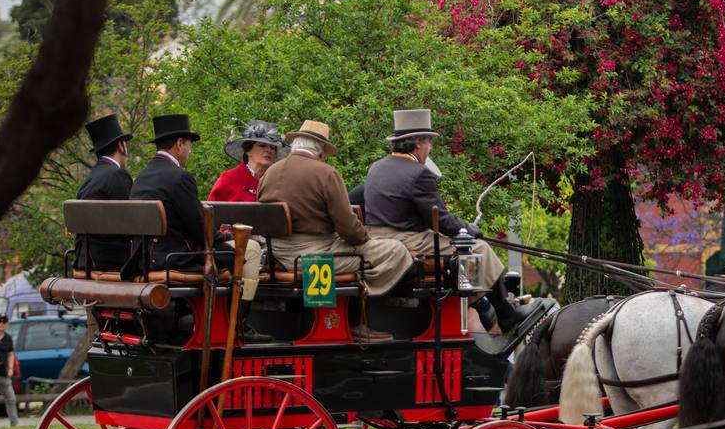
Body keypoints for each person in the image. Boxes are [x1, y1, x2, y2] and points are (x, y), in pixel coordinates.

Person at [362, 109, 533, 334]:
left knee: (463, 245)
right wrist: (469, 229)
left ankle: (480, 304)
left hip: (376, 239)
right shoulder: (418, 174)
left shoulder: (376, 167)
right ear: (417, 144)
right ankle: (505, 313)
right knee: (478, 248)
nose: (430, 148)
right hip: (405, 240)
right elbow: (443, 221)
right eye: (429, 142)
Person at [258, 121, 412, 340]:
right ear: (320, 150)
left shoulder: (270, 172)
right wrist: (365, 237)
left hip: (276, 255)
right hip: (313, 256)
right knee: (394, 249)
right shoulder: (326, 173)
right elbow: (349, 229)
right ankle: (358, 318)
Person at [128, 114, 262, 301]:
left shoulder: (141, 177)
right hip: (176, 258)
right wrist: (226, 235)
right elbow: (199, 227)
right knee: (251, 250)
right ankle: (239, 316)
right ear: (180, 143)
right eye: (190, 145)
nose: (190, 151)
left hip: (144, 259)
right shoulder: (179, 177)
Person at [74, 114, 133, 271]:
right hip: (112, 262)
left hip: (84, 260)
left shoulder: (90, 179)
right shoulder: (118, 175)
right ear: (121, 146)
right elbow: (131, 224)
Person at [208, 121, 285, 202]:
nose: (269, 150)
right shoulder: (229, 179)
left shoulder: (278, 183)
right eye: (262, 145)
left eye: (273, 148)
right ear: (248, 150)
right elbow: (211, 211)